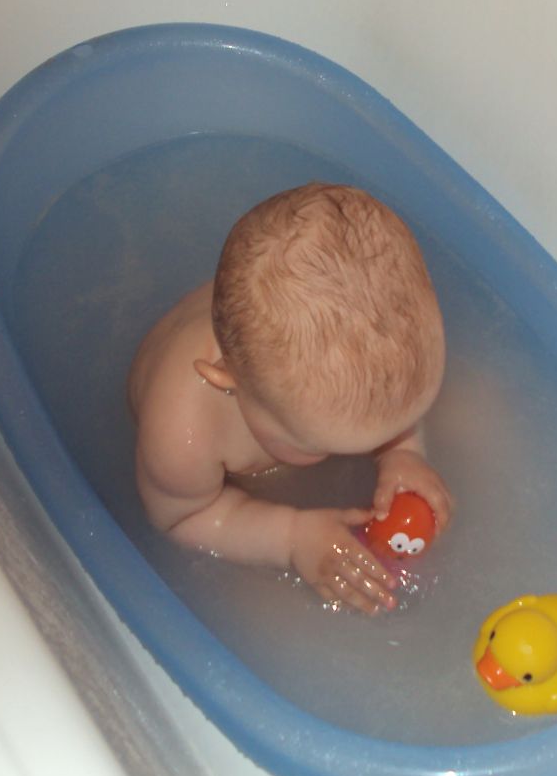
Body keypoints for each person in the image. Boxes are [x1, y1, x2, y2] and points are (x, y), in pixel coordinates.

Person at [128, 182, 452, 614]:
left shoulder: (362, 354)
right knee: (258, 611)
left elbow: (385, 397)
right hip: (200, 484)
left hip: (289, 355)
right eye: (319, 445)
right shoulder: (183, 434)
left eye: (396, 425)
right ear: (227, 379)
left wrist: (403, 452)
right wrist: (291, 538)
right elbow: (181, 517)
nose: (380, 445)